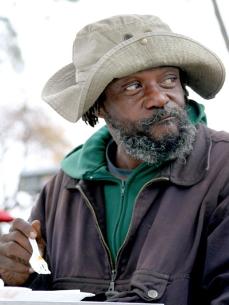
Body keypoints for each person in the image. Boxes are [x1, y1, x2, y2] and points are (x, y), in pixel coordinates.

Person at [0, 14, 228, 304]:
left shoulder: (223, 168)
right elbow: (43, 293)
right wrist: (24, 275)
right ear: (99, 107)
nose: (159, 97)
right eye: (133, 86)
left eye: (169, 79)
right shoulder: (60, 192)